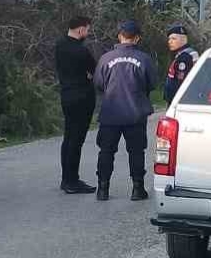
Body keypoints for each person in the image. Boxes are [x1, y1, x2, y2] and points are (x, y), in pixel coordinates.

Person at [92, 21, 156, 203]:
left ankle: (102, 189)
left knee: (106, 151)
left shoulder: (105, 58)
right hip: (135, 114)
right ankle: (137, 189)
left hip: (110, 113)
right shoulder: (144, 59)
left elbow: (98, 83)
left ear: (120, 36)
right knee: (136, 151)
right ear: (137, 38)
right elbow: (152, 83)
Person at [54, 13, 96, 195]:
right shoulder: (81, 51)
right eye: (87, 29)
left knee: (68, 137)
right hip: (82, 97)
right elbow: (94, 71)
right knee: (76, 140)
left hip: (66, 95)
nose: (88, 32)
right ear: (81, 29)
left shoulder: (59, 46)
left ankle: (66, 178)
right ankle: (72, 181)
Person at [163, 24, 198, 103]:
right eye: (169, 39)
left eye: (174, 39)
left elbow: (180, 82)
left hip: (178, 100)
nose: (170, 42)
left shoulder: (184, 57)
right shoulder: (189, 52)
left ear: (183, 39)